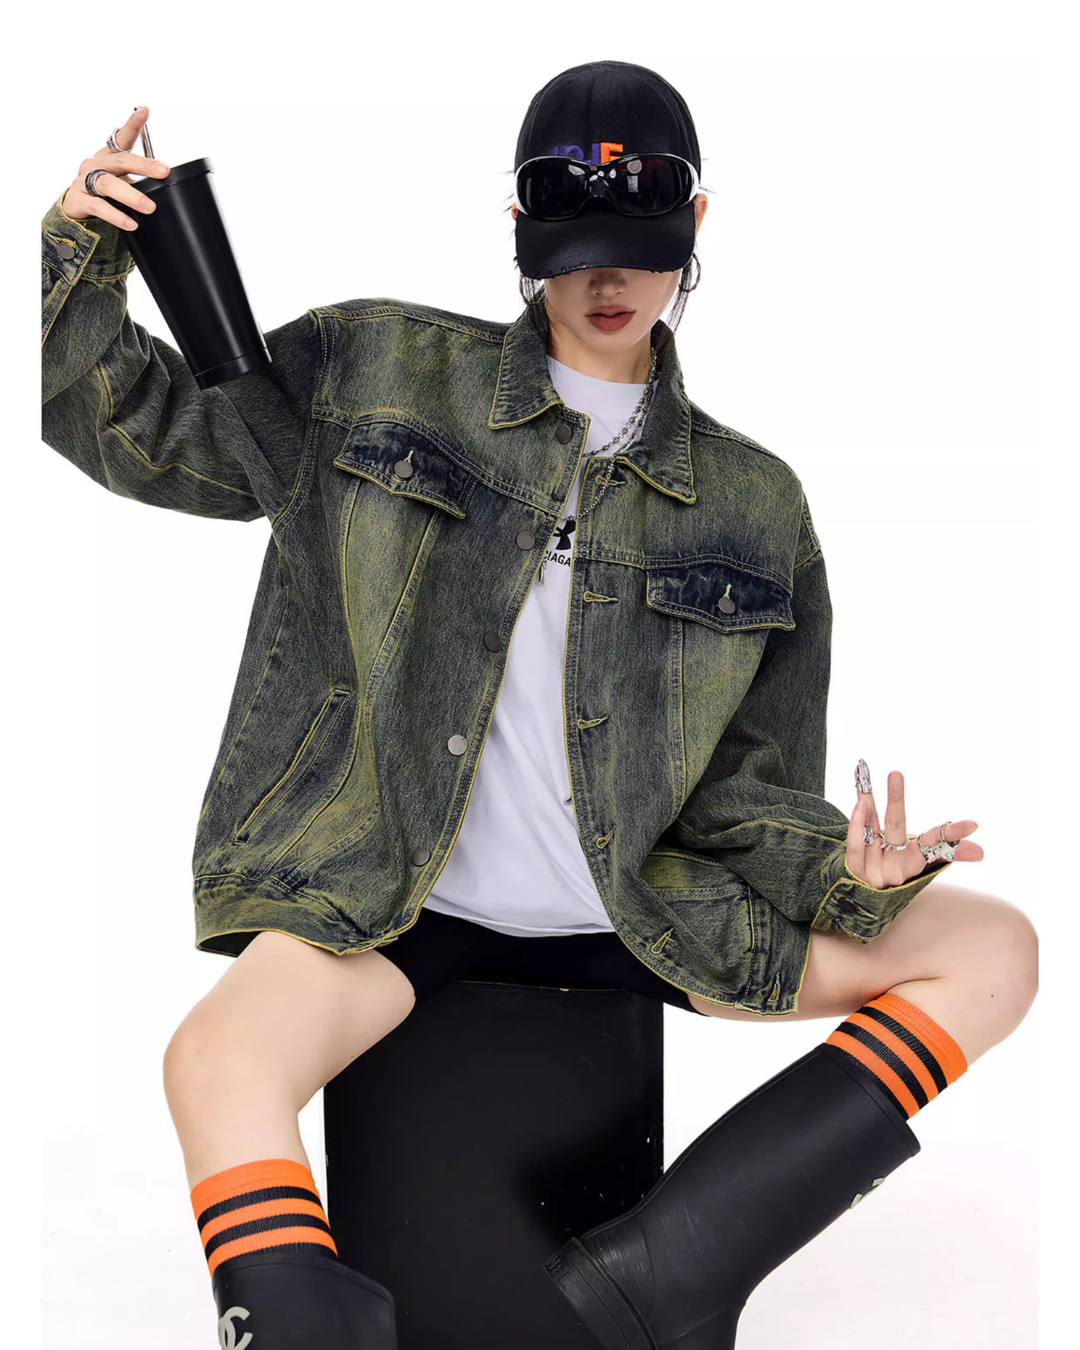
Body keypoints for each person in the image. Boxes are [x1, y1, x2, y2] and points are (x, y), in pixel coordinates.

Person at [41, 62, 1037, 1350]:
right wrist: (80, 252)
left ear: (694, 226)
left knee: (997, 949)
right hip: (393, 899)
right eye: (572, 255)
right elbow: (144, 430)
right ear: (520, 232)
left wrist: (850, 876)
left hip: (634, 914)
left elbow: (743, 796)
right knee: (216, 1063)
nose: (605, 282)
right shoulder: (377, 367)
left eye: (637, 251)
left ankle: (669, 1271)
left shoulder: (757, 503)